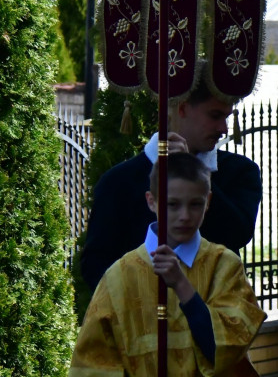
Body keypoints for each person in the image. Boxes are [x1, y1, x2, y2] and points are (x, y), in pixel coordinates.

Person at [66, 152, 268, 377]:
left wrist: (184, 288)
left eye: (194, 204)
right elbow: (98, 370)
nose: (185, 216)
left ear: (208, 201)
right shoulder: (119, 278)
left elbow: (226, 347)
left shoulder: (224, 267)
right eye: (172, 204)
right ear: (152, 201)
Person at [81, 67, 261, 292]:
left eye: (227, 117)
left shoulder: (241, 171)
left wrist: (193, 172)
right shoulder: (118, 181)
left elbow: (237, 234)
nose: (223, 128)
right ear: (182, 108)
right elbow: (95, 266)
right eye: (215, 116)